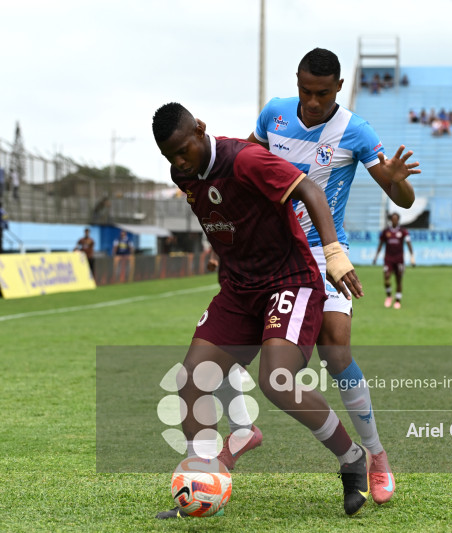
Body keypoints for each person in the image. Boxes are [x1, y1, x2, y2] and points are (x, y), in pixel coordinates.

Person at [151, 102, 369, 518]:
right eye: (170, 157)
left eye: (183, 150)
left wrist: (334, 253)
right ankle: (202, 479)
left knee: (277, 379)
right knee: (192, 378)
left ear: (200, 128)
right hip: (239, 289)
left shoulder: (246, 159)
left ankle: (351, 457)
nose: (179, 162)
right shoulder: (183, 174)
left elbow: (310, 190)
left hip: (289, 279)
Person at [237, 48, 419, 505]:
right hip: (275, 257)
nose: (313, 102)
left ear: (339, 87)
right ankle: (240, 435)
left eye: (322, 93)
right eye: (305, 91)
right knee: (261, 362)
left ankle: (376, 456)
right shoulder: (274, 114)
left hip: (324, 253)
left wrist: (396, 180)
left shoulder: (355, 131)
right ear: (296, 81)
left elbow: (404, 202)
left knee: (336, 347)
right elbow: (247, 162)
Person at [372, 213, 415, 309]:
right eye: (393, 219)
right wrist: (376, 256)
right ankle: (388, 296)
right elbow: (380, 244)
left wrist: (412, 257)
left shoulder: (403, 231)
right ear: (391, 220)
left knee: (398, 280)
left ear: (398, 220)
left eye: (396, 219)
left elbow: (409, 244)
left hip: (399, 259)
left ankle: (397, 301)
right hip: (388, 259)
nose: (394, 220)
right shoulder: (386, 231)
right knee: (386, 277)